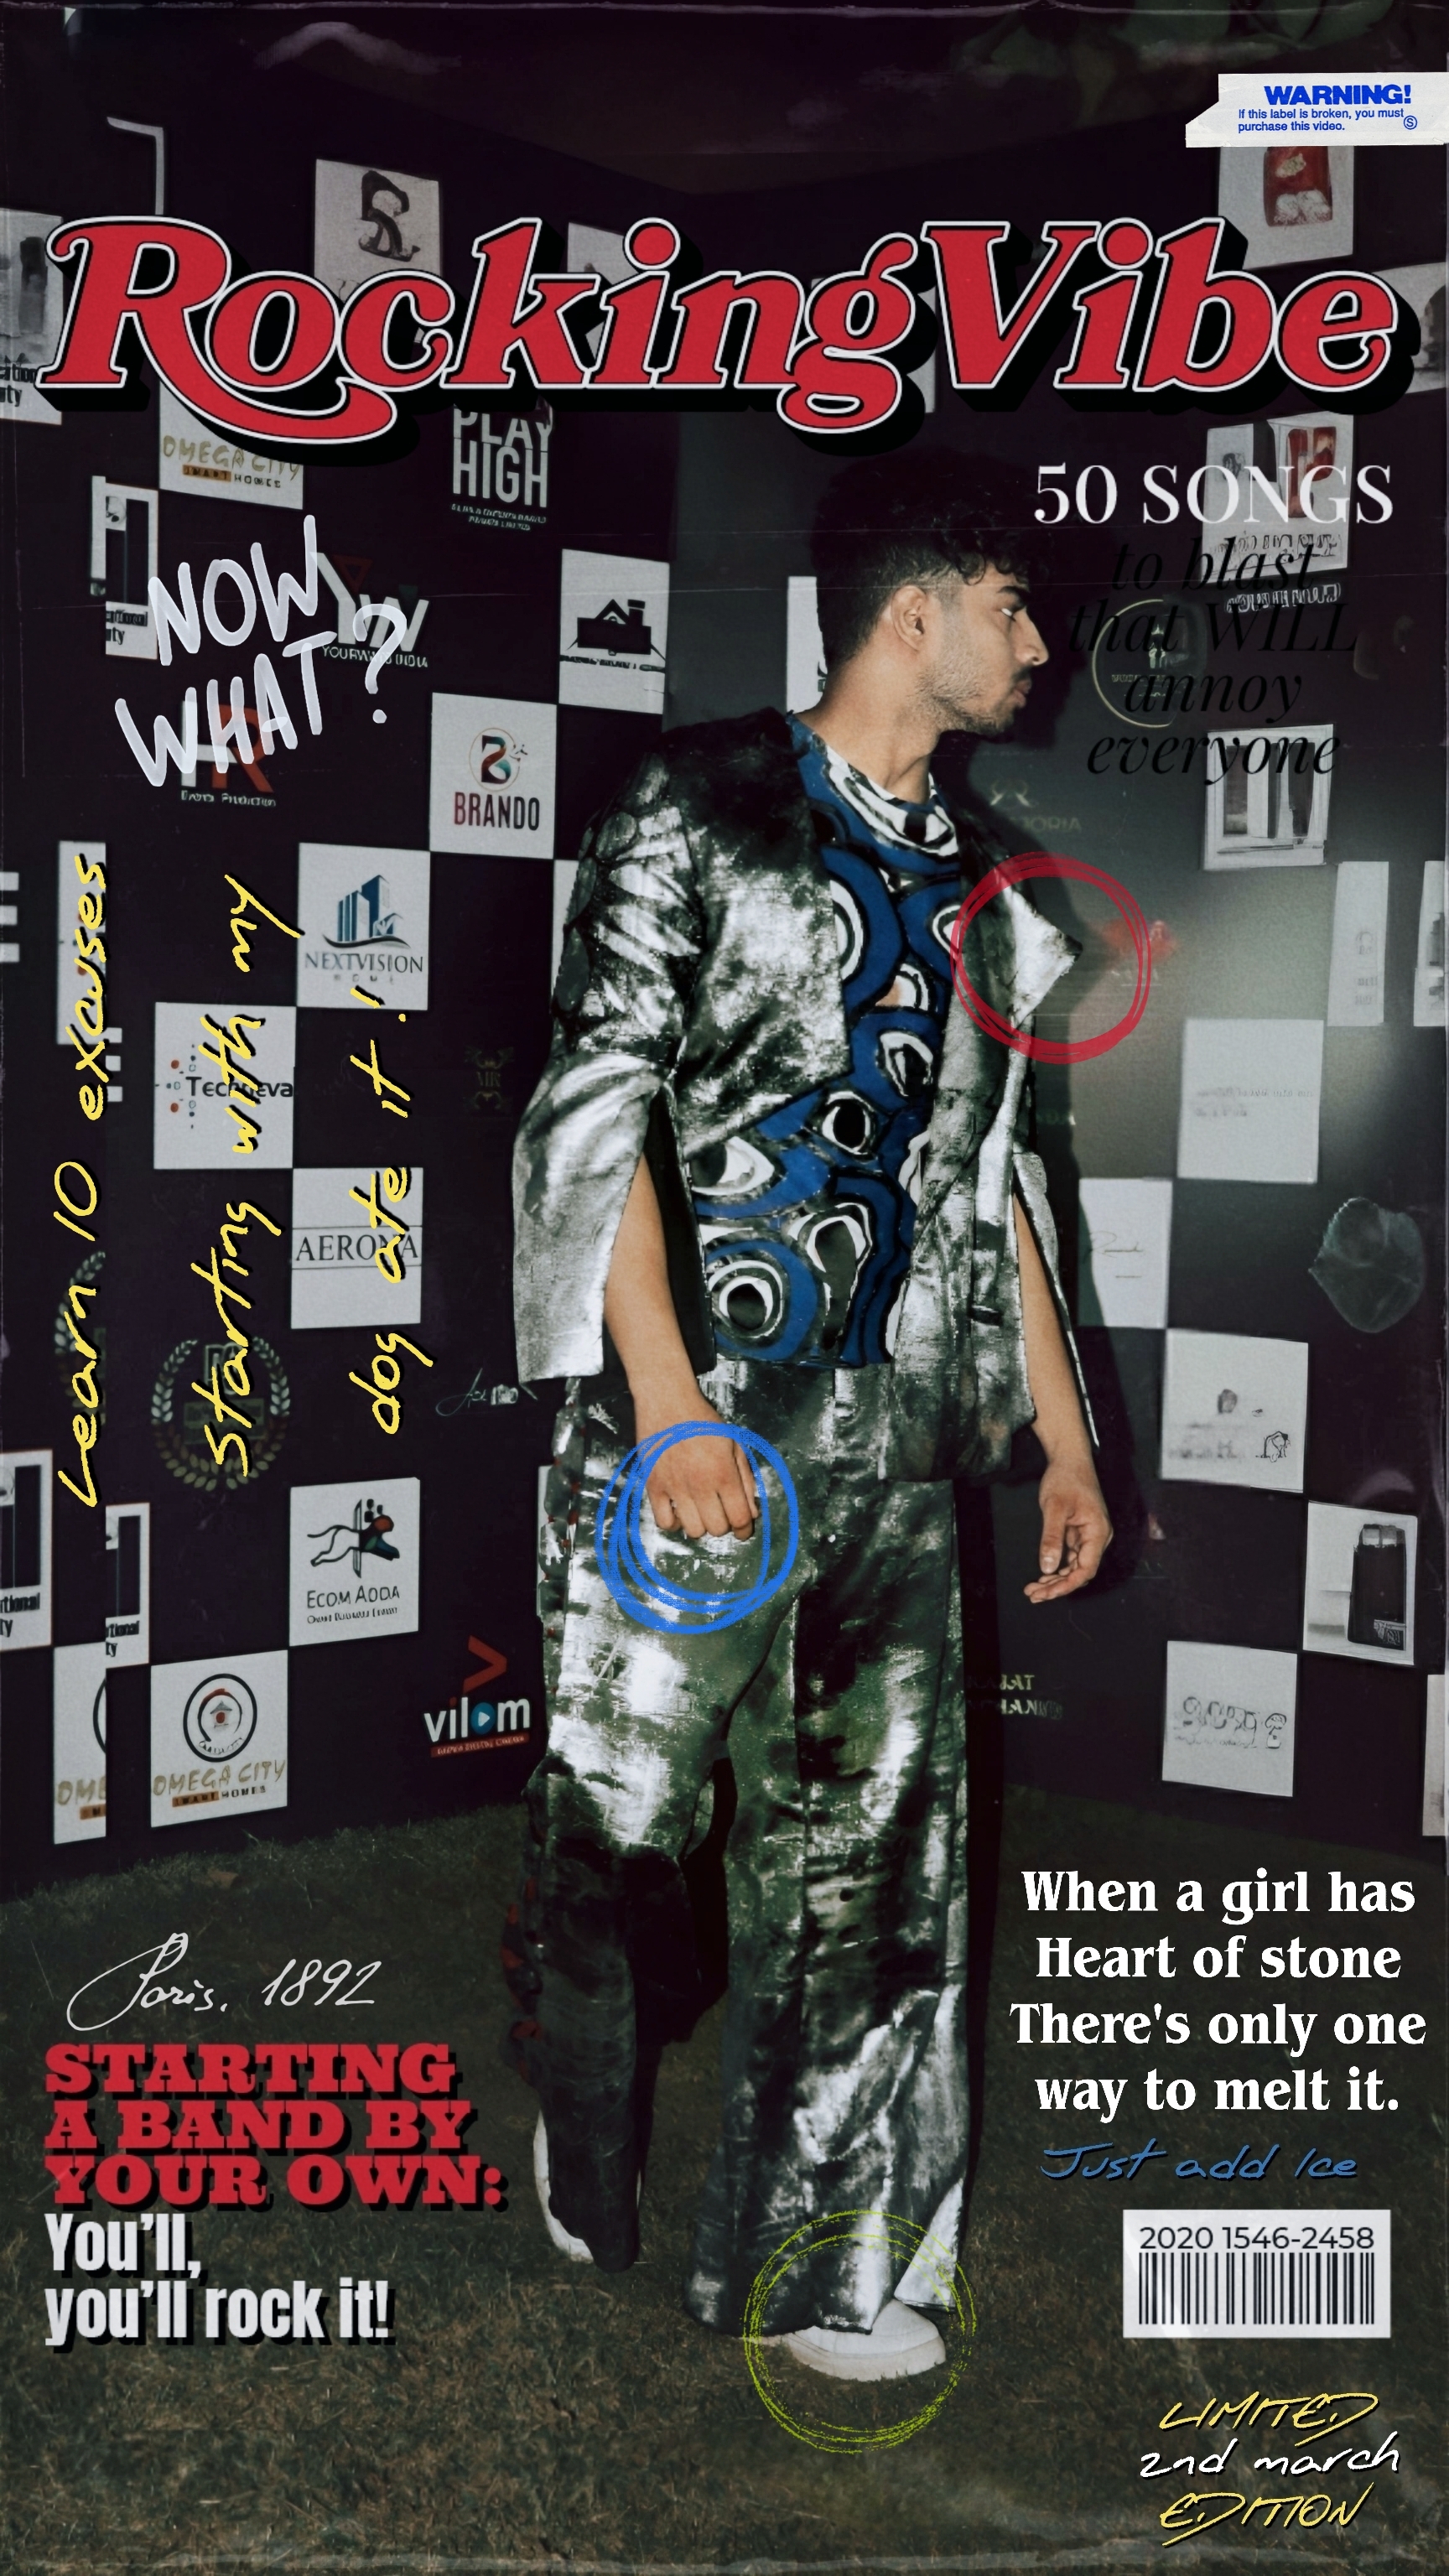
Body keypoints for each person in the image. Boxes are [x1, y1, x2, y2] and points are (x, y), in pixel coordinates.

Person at [504, 449, 1111, 2381]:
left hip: (892, 1444)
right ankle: (582, 2129)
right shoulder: (697, 808)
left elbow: (996, 1185)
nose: (1040, 645)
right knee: (621, 1827)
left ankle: (833, 2266)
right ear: (912, 616)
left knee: (871, 1866)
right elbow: (598, 1108)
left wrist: (1064, 1436)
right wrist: (666, 1404)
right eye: (1010, 608)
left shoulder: (1002, 897)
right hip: (687, 1423)